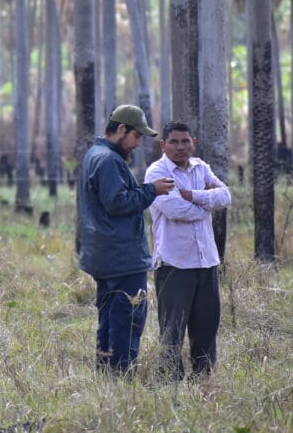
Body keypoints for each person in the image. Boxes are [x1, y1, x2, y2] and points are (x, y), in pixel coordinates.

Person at [77, 105, 175, 374]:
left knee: (109, 319)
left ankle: (107, 374)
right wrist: (151, 190)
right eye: (136, 135)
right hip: (121, 257)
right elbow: (117, 202)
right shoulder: (109, 160)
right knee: (129, 318)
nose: (138, 143)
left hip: (105, 254)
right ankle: (121, 375)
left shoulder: (95, 155)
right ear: (121, 129)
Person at [144, 120, 232, 381]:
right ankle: (170, 382)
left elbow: (226, 196)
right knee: (172, 329)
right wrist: (206, 204)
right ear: (163, 145)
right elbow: (175, 210)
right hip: (175, 263)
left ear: (194, 142)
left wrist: (192, 195)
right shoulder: (156, 172)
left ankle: (203, 380)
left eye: (185, 141)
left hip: (206, 262)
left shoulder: (201, 167)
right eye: (174, 142)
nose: (180, 147)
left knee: (206, 326)